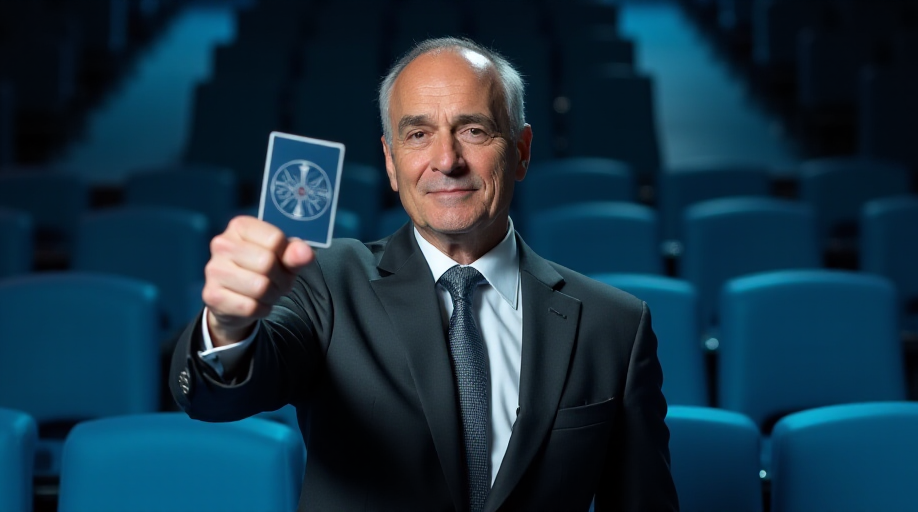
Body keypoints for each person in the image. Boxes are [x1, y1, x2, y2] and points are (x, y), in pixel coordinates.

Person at [169, 37, 678, 511]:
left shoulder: (614, 326)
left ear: (520, 151)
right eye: (418, 135)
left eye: (473, 130)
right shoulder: (325, 280)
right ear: (391, 162)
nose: (446, 160)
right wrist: (229, 328)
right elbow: (218, 396)